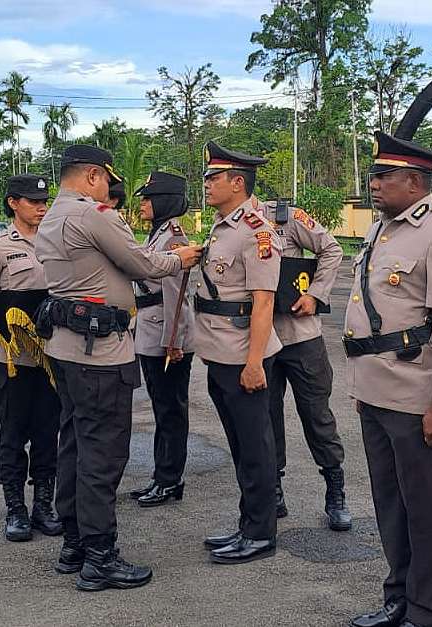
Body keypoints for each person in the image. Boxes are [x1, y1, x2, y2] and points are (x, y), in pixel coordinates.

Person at [35, 145, 202, 591]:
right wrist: (182, 258)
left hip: (67, 348)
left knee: (72, 444)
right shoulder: (94, 215)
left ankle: (74, 544)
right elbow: (142, 265)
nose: (113, 188)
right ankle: (100, 556)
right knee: (101, 454)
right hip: (100, 353)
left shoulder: (53, 215)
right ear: (92, 175)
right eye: (108, 179)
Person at [345, 132, 432, 627]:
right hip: (377, 390)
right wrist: (361, 390)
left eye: (384, 176)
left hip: (419, 395)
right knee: (389, 504)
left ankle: (425, 611)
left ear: (416, 182)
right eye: (374, 175)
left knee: (424, 510)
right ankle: (397, 596)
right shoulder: (383, 230)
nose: (373, 183)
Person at [194, 141, 284, 564]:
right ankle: (247, 523)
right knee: (240, 445)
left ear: (237, 182)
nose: (207, 184)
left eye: (214, 178)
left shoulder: (256, 230)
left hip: (244, 357)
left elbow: (263, 302)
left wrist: (254, 363)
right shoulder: (222, 225)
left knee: (256, 447)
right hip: (219, 353)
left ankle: (261, 532)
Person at [0, 174, 62, 542]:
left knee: (47, 434)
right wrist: (3, 311)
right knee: (12, 436)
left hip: (49, 359)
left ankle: (43, 506)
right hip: (10, 361)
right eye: (32, 201)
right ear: (13, 203)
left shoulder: (57, 244)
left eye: (44, 202)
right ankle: (15, 509)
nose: (40, 207)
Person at [258, 198, 351, 531]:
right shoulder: (234, 224)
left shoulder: (284, 217)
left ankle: (335, 490)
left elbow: (331, 249)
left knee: (317, 415)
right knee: (265, 416)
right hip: (260, 338)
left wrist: (316, 293)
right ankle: (274, 490)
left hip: (300, 336)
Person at [126, 171, 194, 507]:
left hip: (166, 339)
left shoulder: (173, 239)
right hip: (152, 331)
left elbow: (177, 296)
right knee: (162, 408)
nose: (142, 204)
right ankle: (161, 476)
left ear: (165, 201)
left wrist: (174, 341)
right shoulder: (159, 235)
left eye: (148, 198)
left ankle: (170, 481)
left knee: (171, 411)